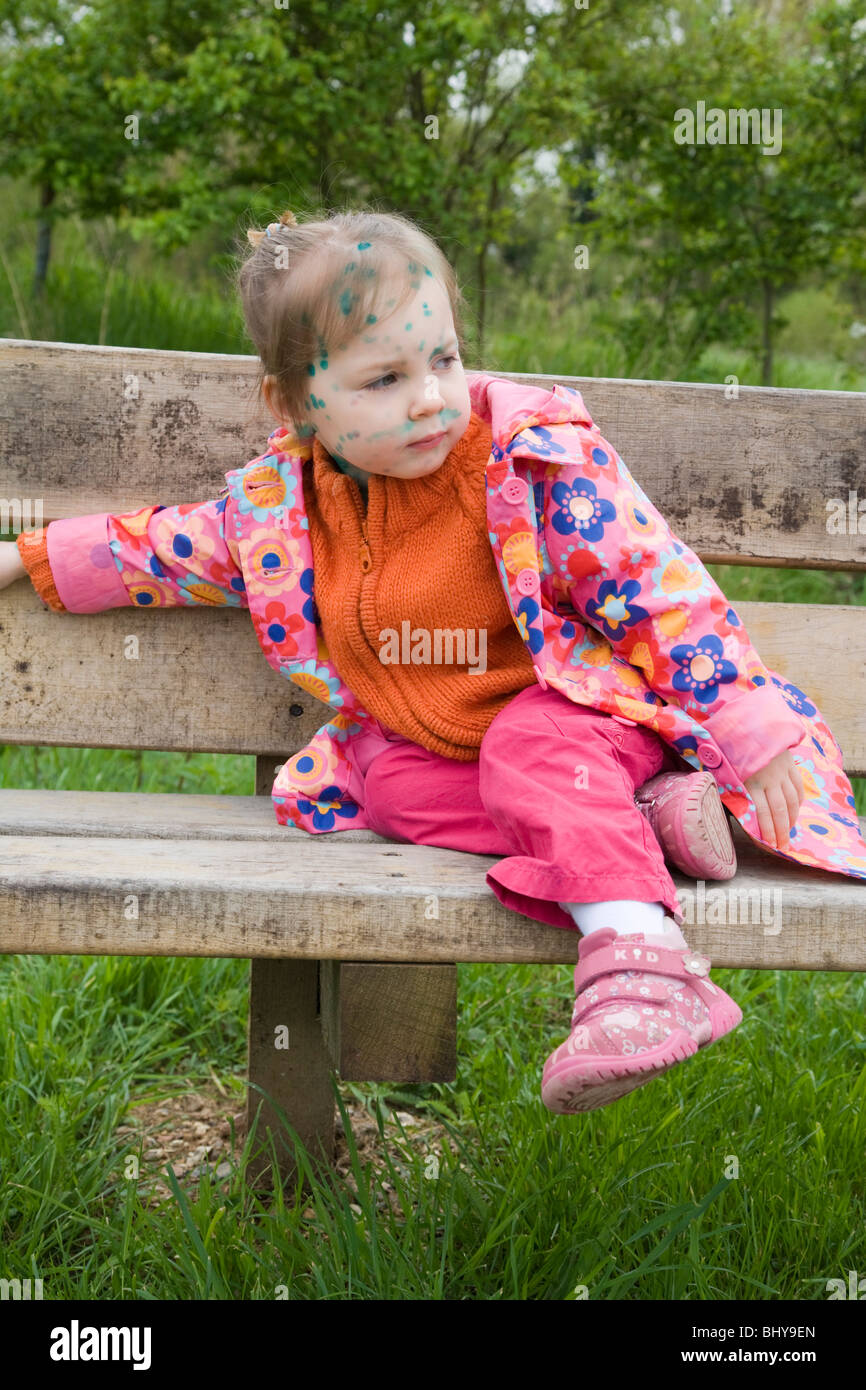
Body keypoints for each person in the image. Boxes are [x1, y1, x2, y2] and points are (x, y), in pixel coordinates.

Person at [5, 203, 857, 1118]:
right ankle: (644, 828)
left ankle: (642, 968)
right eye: (385, 377)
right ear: (295, 404)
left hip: (580, 723)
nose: (428, 397)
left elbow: (661, 589)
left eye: (443, 359)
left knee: (532, 750)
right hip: (446, 754)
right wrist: (27, 556)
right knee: (385, 790)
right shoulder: (283, 510)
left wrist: (752, 728)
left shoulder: (528, 467)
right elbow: (169, 549)